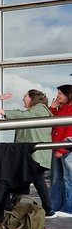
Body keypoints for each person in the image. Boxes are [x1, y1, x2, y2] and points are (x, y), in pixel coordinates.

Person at [0, 90, 54, 216]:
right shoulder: (35, 111)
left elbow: (24, 115)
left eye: (25, 96)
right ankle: (18, 206)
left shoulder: (40, 109)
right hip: (30, 155)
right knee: (24, 179)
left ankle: (47, 209)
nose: (23, 99)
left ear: (33, 98)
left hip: (34, 155)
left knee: (33, 180)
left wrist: (4, 112)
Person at [49, 84, 72, 217]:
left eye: (60, 94)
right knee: (57, 178)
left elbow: (70, 129)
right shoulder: (62, 107)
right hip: (58, 146)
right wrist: (53, 107)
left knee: (68, 178)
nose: (58, 96)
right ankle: (56, 206)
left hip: (66, 147)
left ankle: (69, 208)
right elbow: (55, 122)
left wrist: (62, 148)